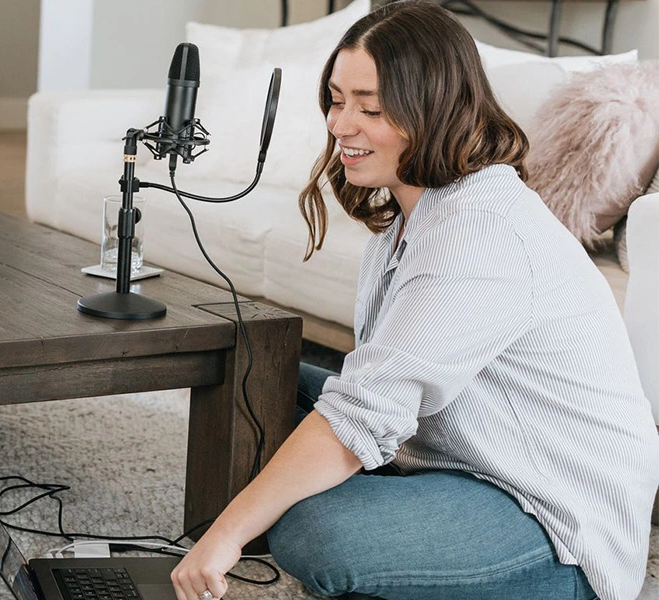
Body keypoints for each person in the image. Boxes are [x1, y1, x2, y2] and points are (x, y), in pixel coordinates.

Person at [170, 2, 659, 599]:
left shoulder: (481, 234)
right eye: (337, 98)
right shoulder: (414, 212)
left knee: (316, 536)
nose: (341, 124)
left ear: (433, 111)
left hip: (550, 515)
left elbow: (364, 414)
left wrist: (228, 533)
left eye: (370, 108)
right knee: (251, 376)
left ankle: (298, 527)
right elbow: (371, 395)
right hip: (456, 454)